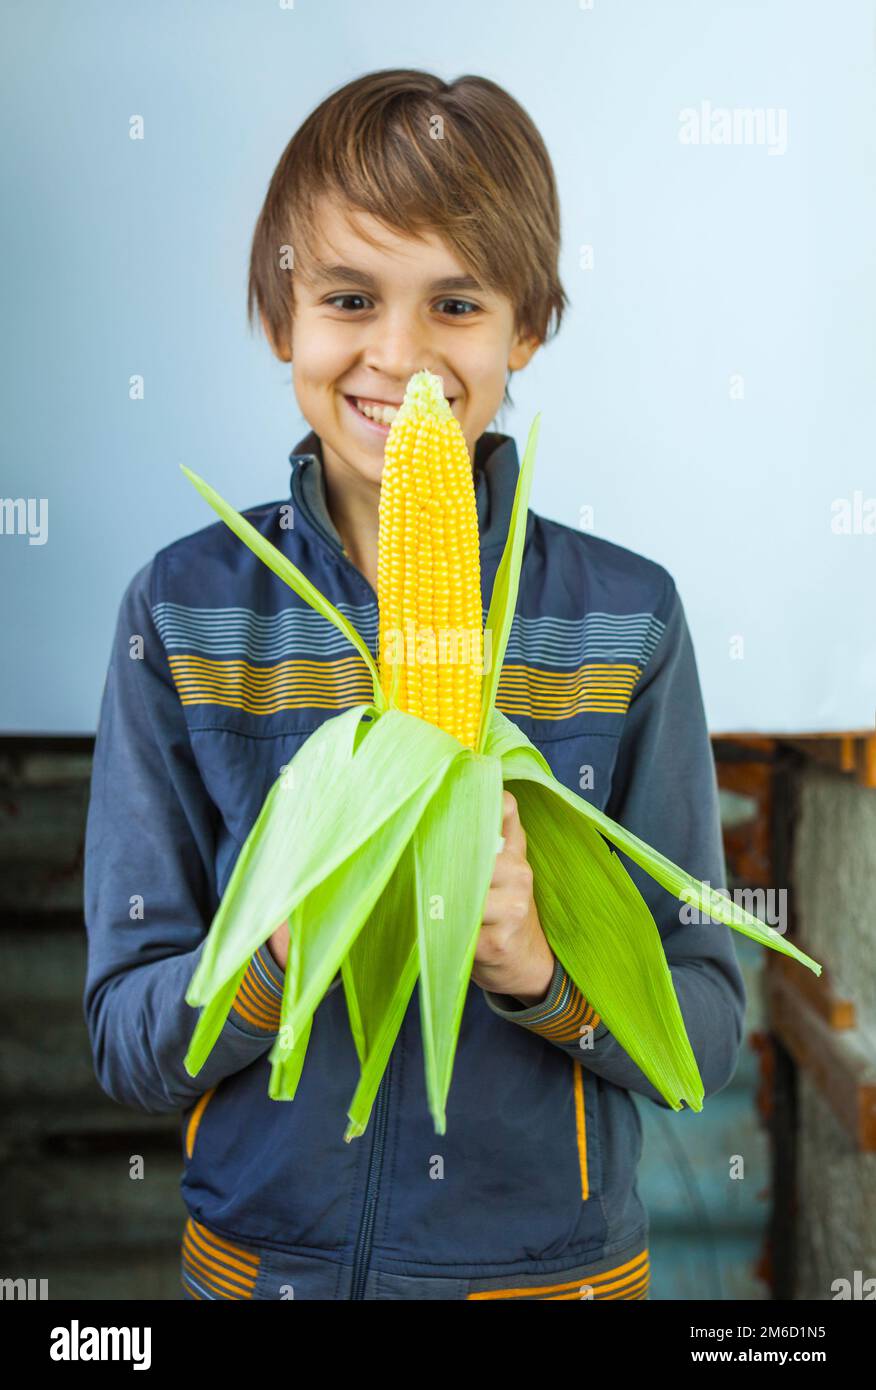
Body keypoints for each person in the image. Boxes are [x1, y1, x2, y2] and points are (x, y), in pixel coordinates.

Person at [83, 68, 745, 1301]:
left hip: (549, 1285)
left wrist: (544, 971)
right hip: (260, 1278)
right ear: (283, 320)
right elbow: (125, 1039)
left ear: (526, 330)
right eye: (348, 298)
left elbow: (702, 1027)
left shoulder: (624, 619)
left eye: (455, 302)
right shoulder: (181, 615)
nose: (399, 356)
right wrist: (279, 942)